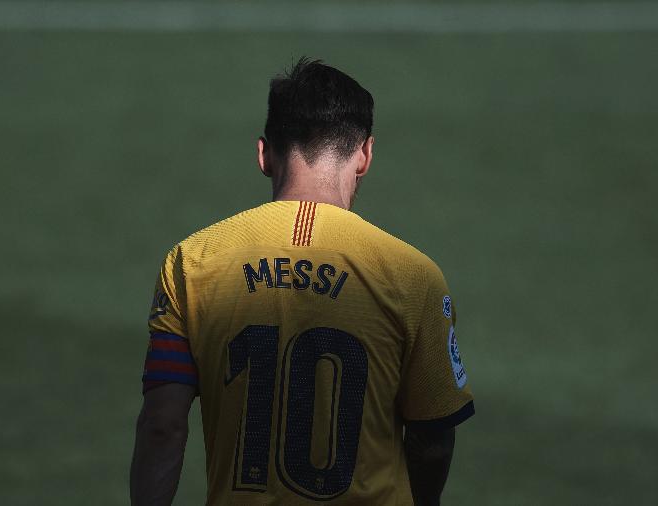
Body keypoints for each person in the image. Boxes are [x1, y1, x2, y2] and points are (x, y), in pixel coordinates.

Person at [130, 58, 475, 506]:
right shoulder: (413, 276)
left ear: (264, 154)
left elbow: (163, 425)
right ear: (365, 155)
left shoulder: (192, 262)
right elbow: (433, 438)